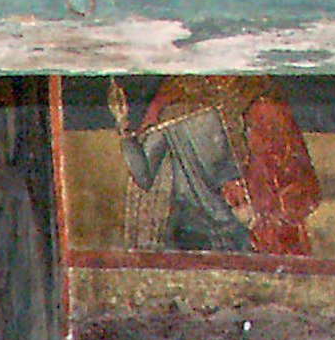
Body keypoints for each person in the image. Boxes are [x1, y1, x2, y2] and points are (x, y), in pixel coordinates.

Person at [123, 74, 320, 254]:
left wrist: (255, 204)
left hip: (242, 230)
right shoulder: (173, 93)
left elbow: (290, 179)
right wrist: (123, 129)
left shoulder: (255, 91)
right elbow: (145, 176)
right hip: (188, 231)